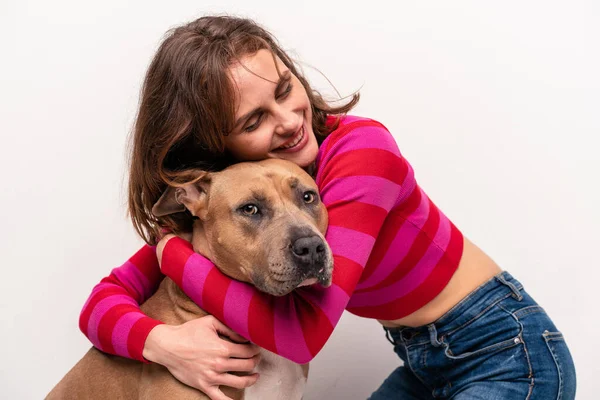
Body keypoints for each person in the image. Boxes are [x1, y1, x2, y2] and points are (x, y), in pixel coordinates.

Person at [79, 15, 576, 400]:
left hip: (505, 350)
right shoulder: (239, 189)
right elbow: (101, 302)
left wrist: (170, 254)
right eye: (254, 119)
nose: (289, 120)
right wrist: (161, 342)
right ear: (218, 144)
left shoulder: (364, 153)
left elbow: (299, 334)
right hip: (426, 360)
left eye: (284, 90)